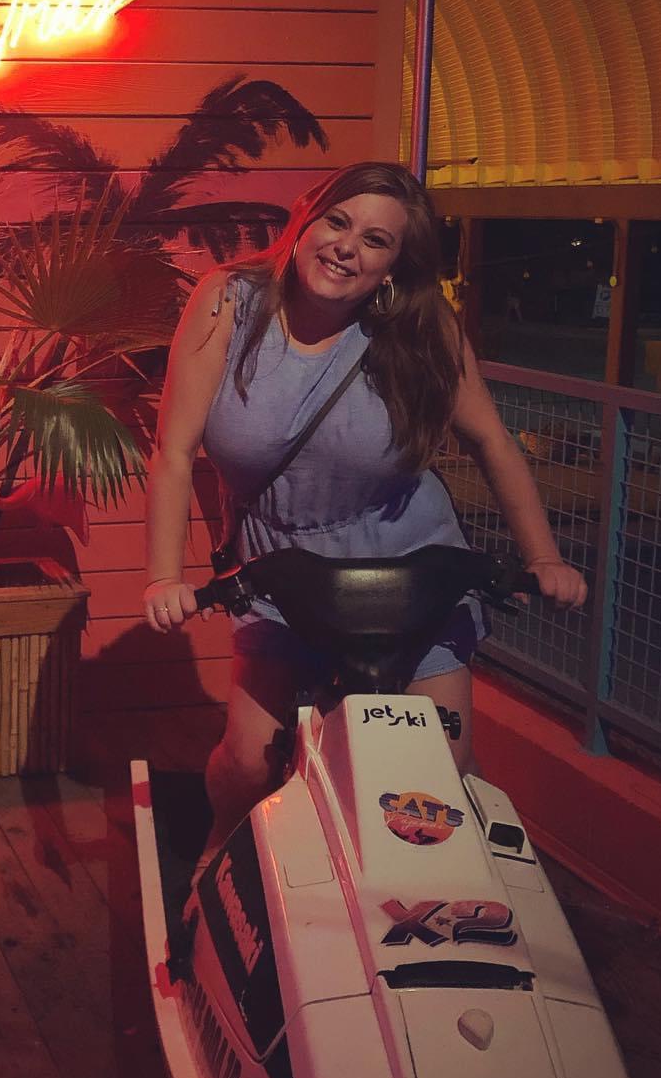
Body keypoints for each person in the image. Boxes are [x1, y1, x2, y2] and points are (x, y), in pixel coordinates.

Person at [142, 161, 586, 844]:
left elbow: (493, 441)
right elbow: (174, 452)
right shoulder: (230, 301)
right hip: (282, 566)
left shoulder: (421, 328)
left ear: (393, 266)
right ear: (305, 220)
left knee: (441, 770)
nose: (347, 247)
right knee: (248, 763)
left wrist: (545, 557)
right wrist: (164, 576)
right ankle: (218, 855)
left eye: (376, 241)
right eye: (338, 222)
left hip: (408, 565)